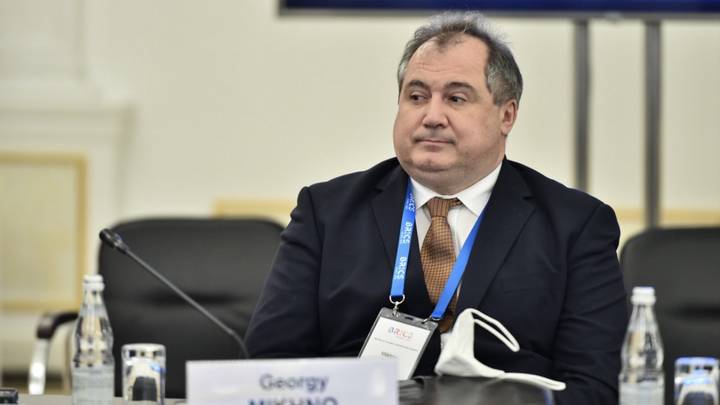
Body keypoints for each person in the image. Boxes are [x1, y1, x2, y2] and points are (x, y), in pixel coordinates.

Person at [245, 12, 628, 404]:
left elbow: (594, 386)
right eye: (417, 97)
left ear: (506, 115)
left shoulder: (574, 224)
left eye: (456, 98)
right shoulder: (326, 212)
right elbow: (272, 369)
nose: (431, 117)